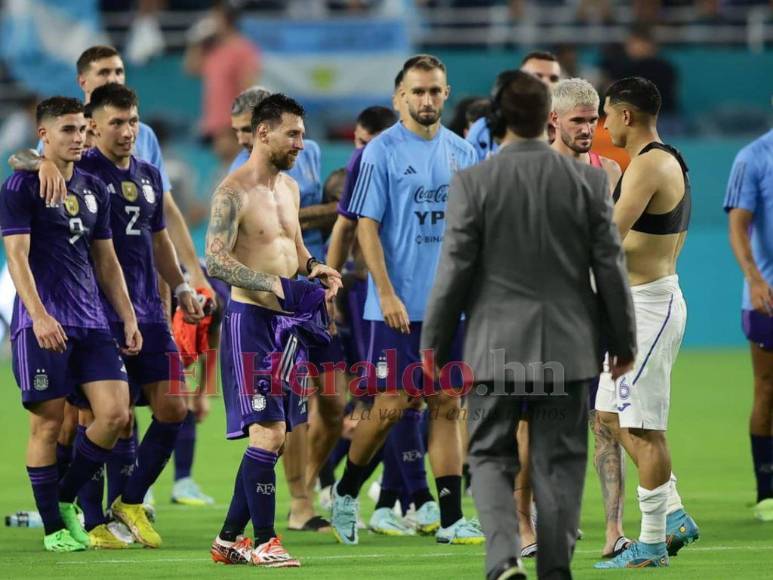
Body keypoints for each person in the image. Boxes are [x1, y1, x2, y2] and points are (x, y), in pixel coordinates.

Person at [421, 70, 636, 580]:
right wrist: (622, 340)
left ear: (498, 118)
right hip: (569, 345)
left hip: (495, 346)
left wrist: (433, 342)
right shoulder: (587, 181)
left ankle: (503, 559)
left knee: (491, 456)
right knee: (560, 462)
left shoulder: (474, 183)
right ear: (549, 118)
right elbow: (610, 268)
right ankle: (556, 569)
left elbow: (454, 271)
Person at [330, 54, 483, 546]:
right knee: (392, 404)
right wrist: (387, 292)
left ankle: (452, 517)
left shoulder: (465, 153)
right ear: (400, 97)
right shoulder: (381, 152)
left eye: (435, 90)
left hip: (448, 307)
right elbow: (365, 228)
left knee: (446, 402)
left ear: (446, 92)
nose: (426, 99)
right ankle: (347, 492)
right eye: (417, 91)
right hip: (394, 308)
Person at [205, 93, 342, 567]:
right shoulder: (232, 191)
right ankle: (264, 540)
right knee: (268, 433)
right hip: (252, 325)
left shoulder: (289, 188)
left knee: (279, 435)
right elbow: (215, 259)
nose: (302, 143)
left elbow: (294, 246)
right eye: (294, 134)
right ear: (264, 133)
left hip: (290, 325)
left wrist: (315, 267)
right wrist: (273, 285)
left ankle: (227, 541)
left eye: (302, 134)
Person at [0, 96, 141, 552]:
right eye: (67, 130)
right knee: (47, 427)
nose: (78, 137)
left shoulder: (94, 188)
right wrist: (38, 316)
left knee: (116, 414)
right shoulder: (20, 186)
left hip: (93, 323)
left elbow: (106, 259)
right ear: (44, 135)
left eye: (82, 129)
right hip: (43, 323)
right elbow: (16, 257)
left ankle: (60, 500)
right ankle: (54, 529)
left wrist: (127, 314)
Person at [72, 83, 203, 548]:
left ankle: (129, 500)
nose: (128, 131)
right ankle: (88, 520)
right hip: (97, 316)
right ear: (93, 126)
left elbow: (159, 239)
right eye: (117, 123)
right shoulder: (78, 174)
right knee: (109, 416)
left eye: (132, 121)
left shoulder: (148, 174)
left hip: (150, 311)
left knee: (174, 407)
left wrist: (182, 285)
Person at [595, 77, 700, 569]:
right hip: (633, 305)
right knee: (611, 417)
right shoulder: (659, 158)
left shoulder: (651, 163)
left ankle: (653, 542)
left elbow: (609, 239)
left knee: (644, 427)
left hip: (649, 307)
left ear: (626, 116)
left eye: (606, 114)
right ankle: (674, 511)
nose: (603, 124)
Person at [550, 77, 630, 558]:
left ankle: (613, 530)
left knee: (606, 423)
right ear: (552, 120)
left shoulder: (611, 173)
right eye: (578, 120)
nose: (588, 127)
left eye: (593, 118)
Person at [724, 128, 773, 522]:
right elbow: (738, 226)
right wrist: (754, 278)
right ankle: (767, 491)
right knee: (768, 388)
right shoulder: (753, 157)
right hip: (768, 295)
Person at [184, 0, 260, 162]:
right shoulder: (212, 50)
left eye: (215, 16)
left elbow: (249, 86)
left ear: (226, 19)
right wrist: (195, 39)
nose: (210, 21)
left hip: (233, 122)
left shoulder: (243, 49)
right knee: (227, 168)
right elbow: (191, 68)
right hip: (216, 121)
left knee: (237, 167)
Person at [466, 51, 561, 161]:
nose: (546, 83)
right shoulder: (483, 130)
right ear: (520, 80)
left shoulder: (572, 124)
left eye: (553, 79)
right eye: (537, 76)